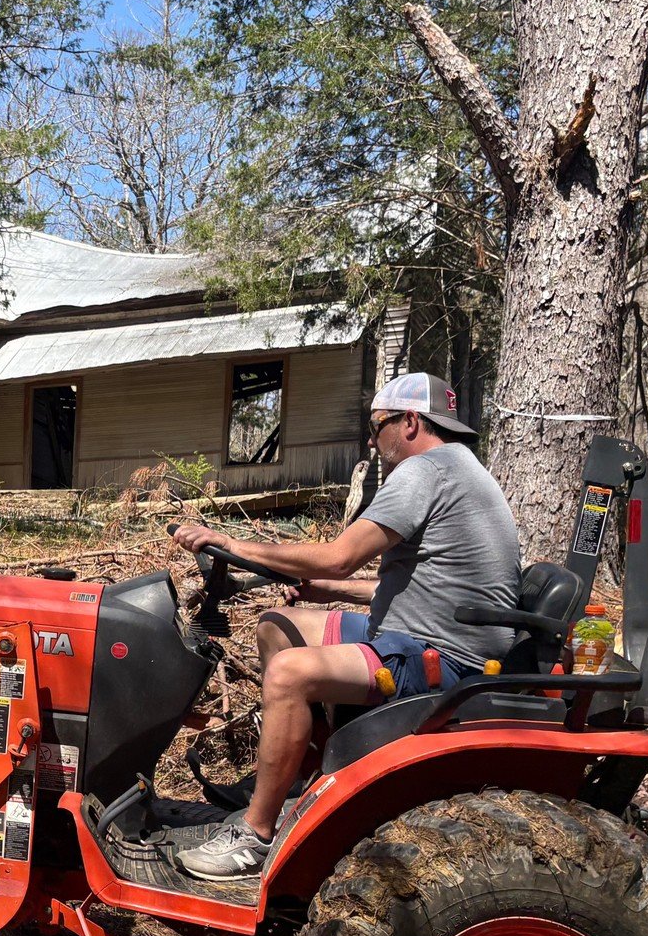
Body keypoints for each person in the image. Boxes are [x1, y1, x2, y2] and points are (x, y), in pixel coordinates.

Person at [169, 372, 521, 880]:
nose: (372, 441)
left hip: (435, 658)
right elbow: (421, 582)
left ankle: (256, 836)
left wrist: (232, 544)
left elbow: (338, 559)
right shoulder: (462, 470)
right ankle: (302, 780)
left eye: (377, 426)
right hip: (418, 634)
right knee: (276, 626)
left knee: (289, 673)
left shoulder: (425, 472)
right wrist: (330, 592)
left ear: (411, 422)